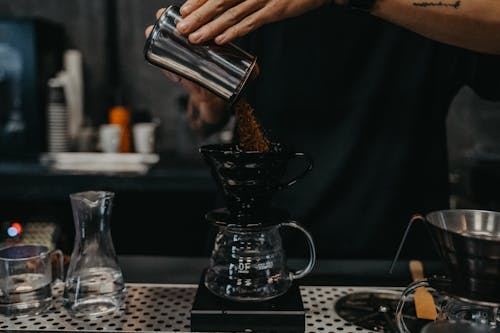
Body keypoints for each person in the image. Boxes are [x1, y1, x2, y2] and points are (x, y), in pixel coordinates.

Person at [145, 0, 500, 259]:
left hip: (391, 258)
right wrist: (206, 98)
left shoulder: (430, 11)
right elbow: (209, 119)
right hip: (259, 247)